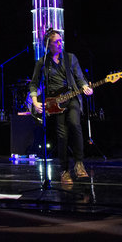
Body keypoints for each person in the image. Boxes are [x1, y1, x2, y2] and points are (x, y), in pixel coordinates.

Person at [28, 29, 94, 184]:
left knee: (74, 124)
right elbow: (34, 83)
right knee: (62, 135)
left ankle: (79, 164)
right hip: (55, 103)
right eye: (56, 41)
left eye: (60, 40)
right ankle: (64, 170)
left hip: (71, 98)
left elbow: (80, 78)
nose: (60, 43)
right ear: (48, 45)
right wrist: (35, 101)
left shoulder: (70, 58)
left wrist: (85, 87)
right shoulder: (43, 62)